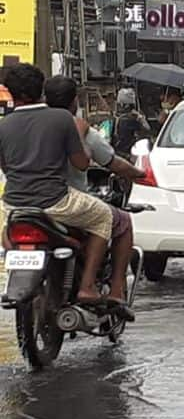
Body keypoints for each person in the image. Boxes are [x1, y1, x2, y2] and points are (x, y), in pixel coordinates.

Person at [0, 65, 128, 315]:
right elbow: (81, 163)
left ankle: (14, 275)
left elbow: (4, 166)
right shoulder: (61, 119)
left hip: (13, 204)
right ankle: (88, 286)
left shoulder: (4, 125)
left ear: (10, 92)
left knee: (8, 235)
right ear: (41, 91)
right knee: (105, 217)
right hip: (57, 202)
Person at [44, 76, 144, 319]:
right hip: (65, 201)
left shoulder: (28, 125)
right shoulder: (77, 127)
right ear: (74, 101)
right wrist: (140, 174)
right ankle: (111, 288)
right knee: (118, 219)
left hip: (24, 201)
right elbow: (103, 161)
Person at [113, 87, 150, 159]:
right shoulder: (130, 119)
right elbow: (147, 130)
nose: (119, 106)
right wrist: (141, 118)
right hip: (126, 154)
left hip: (122, 153)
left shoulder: (127, 119)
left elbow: (146, 130)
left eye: (120, 104)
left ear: (124, 105)